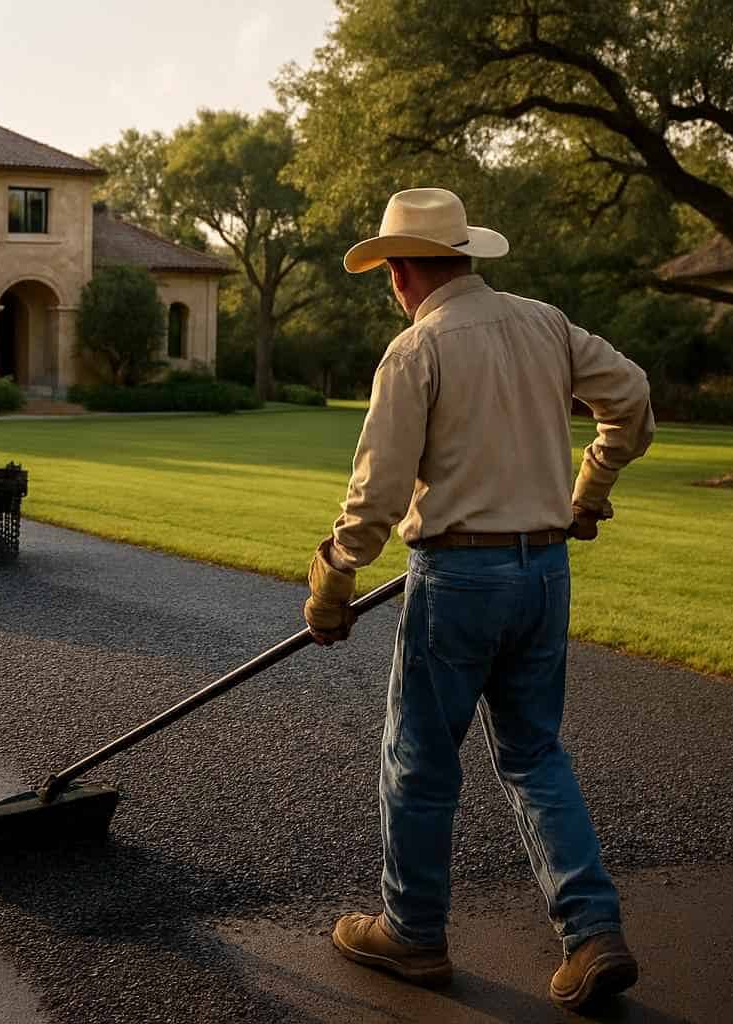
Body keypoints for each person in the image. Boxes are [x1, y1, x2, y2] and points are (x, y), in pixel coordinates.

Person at [303, 188, 654, 1011]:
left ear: (401, 272)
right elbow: (630, 398)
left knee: (420, 764)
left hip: (457, 581)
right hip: (544, 575)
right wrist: (589, 491)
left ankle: (412, 934)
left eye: (391, 271)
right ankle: (593, 932)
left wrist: (335, 575)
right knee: (534, 756)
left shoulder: (416, 349)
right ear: (465, 255)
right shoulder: (544, 323)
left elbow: (379, 489)